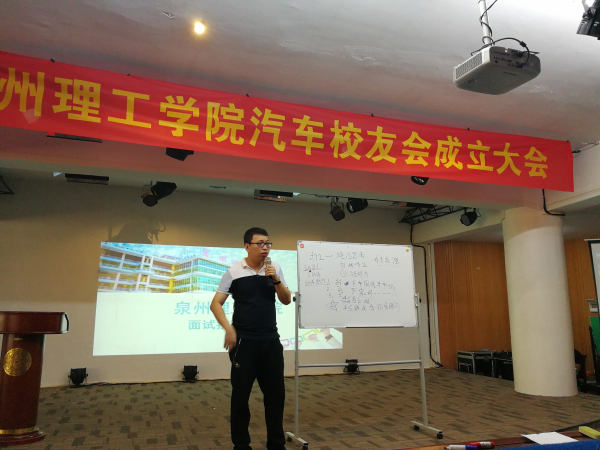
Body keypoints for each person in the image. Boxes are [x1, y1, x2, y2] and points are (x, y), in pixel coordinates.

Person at [210, 227, 292, 450]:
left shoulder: (275, 269)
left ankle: (276, 444)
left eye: (268, 243)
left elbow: (286, 300)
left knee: (276, 397)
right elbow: (215, 303)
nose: (265, 248)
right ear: (247, 246)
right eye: (260, 243)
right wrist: (228, 328)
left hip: (271, 341)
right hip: (244, 343)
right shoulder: (234, 272)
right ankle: (241, 445)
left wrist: (276, 279)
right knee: (240, 398)